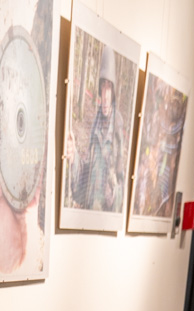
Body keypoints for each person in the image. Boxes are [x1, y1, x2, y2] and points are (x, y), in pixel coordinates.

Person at [65, 44, 126, 213]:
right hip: (89, 216)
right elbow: (84, 179)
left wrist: (114, 194)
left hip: (105, 220)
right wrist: (73, 155)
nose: (105, 95)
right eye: (103, 87)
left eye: (109, 87)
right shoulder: (96, 125)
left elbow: (122, 183)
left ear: (113, 91)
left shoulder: (118, 127)